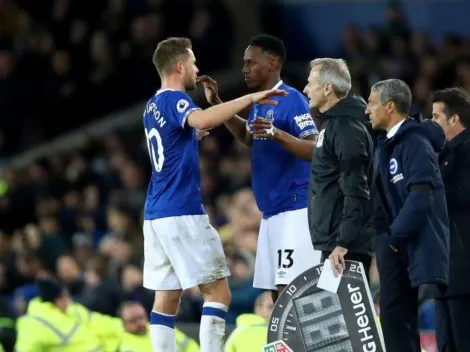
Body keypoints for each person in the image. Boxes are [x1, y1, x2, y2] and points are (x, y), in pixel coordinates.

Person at [142, 36, 286, 352]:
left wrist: (192, 134)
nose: (197, 69)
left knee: (167, 296)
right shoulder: (174, 100)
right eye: (193, 63)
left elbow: (174, 141)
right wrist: (251, 98)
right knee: (219, 293)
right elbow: (202, 117)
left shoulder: (151, 106)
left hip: (155, 214)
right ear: (179, 66)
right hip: (182, 211)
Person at [198, 34, 321, 302]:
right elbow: (248, 136)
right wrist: (218, 105)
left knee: (294, 295)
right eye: (244, 64)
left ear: (272, 62)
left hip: (295, 209)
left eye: (250, 63)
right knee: (277, 297)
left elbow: (314, 149)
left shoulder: (292, 99)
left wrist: (278, 133)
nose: (244, 69)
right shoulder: (260, 102)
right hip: (271, 212)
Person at [250, 57, 375, 278]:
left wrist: (343, 243)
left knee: (347, 311)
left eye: (310, 83)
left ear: (327, 88)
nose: (306, 88)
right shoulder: (334, 124)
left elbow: (356, 189)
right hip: (334, 242)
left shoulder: (346, 129)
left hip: (344, 246)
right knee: (335, 310)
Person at [366, 78, 450, 352]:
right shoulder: (387, 141)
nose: (368, 110)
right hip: (392, 239)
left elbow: (421, 196)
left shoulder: (413, 141)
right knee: (393, 315)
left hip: (402, 241)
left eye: (372, 104)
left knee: (398, 316)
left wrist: (394, 237)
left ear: (390, 107)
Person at [431, 87, 470, 352]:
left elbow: (461, 195)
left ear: (454, 119)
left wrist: (427, 196)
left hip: (463, 265)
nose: (431, 123)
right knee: (446, 344)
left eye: (435, 117)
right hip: (446, 265)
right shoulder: (444, 153)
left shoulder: (466, 151)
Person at [15, 277, 103, 351]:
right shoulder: (33, 324)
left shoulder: (67, 311)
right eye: (64, 297)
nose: (68, 302)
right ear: (56, 300)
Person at [118, 301, 199, 352]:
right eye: (133, 320)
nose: (139, 323)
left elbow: (188, 345)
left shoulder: (161, 328)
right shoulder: (121, 342)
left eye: (141, 317)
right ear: (124, 324)